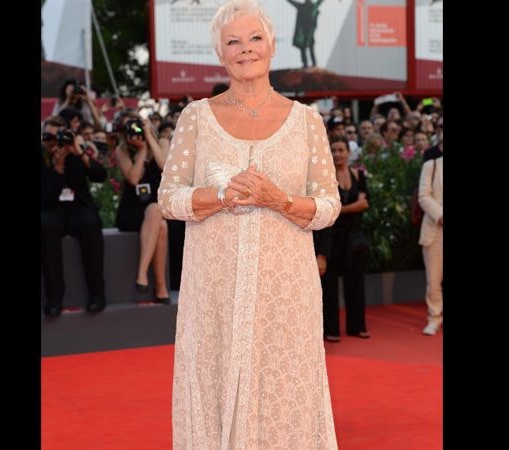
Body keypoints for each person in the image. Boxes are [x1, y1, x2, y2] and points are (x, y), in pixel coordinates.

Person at [158, 1, 341, 447]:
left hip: (287, 293)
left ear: (273, 45)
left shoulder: (307, 121)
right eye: (233, 42)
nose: (245, 50)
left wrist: (279, 200)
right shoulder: (196, 118)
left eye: (254, 38)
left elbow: (330, 204)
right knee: (214, 384)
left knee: (285, 389)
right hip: (214, 291)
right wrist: (220, 197)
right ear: (220, 54)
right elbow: (168, 198)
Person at [41, 115, 108, 316]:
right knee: (44, 225)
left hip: (79, 208)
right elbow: (44, 197)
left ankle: (97, 296)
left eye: (57, 137)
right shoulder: (42, 158)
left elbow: (100, 175)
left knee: (90, 222)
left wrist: (80, 153)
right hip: (53, 209)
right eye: (48, 137)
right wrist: (58, 168)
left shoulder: (75, 153)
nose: (53, 142)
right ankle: (54, 299)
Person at [113, 112, 170, 304]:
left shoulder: (162, 143)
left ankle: (147, 278)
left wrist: (149, 140)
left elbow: (166, 167)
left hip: (154, 210)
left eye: (137, 126)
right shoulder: (122, 150)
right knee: (158, 218)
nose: (133, 132)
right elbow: (134, 178)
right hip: (131, 211)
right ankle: (155, 283)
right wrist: (142, 151)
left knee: (157, 216)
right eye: (129, 128)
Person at [322, 136, 370, 342]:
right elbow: (328, 207)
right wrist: (353, 207)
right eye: (334, 150)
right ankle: (331, 330)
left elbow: (365, 204)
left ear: (349, 153)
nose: (337, 154)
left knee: (356, 283)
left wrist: (339, 209)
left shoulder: (358, 176)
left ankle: (356, 326)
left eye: (341, 150)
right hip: (332, 237)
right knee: (329, 285)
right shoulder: (325, 177)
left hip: (354, 238)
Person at [418, 150, 443, 335]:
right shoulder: (431, 166)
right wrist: (440, 215)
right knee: (433, 279)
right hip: (435, 229)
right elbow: (423, 195)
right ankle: (434, 317)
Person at [286, 0, 325, 68]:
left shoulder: (302, 6)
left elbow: (292, 2)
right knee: (308, 48)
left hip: (305, 33)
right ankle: (311, 64)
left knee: (306, 48)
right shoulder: (312, 6)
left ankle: (309, 64)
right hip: (307, 32)